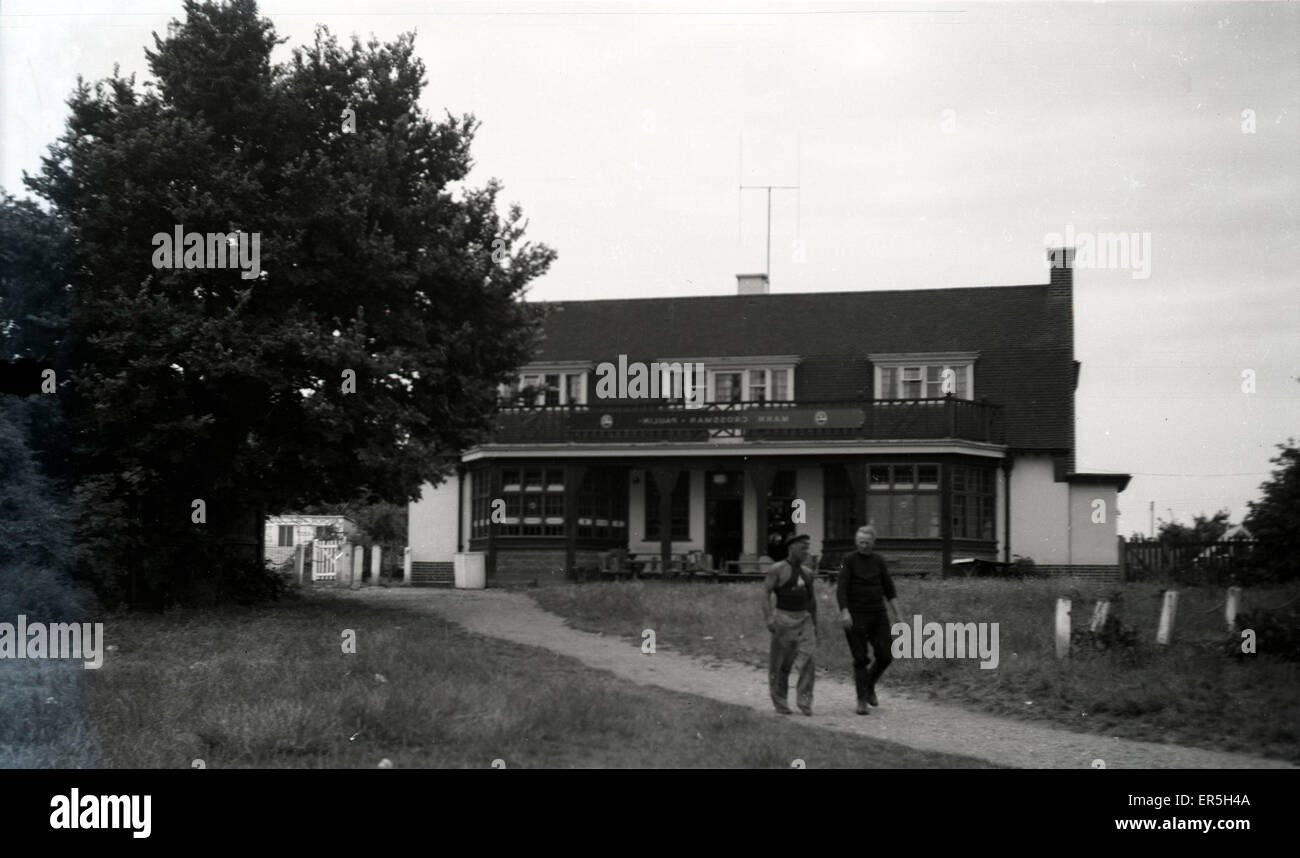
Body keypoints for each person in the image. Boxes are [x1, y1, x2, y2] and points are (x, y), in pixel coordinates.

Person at [838, 525, 901, 715]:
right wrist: (844, 612)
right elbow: (841, 589)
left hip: (878, 614)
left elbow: (889, 589)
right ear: (856, 542)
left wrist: (899, 616)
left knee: (886, 654)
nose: (864, 546)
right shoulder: (848, 560)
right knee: (860, 658)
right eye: (861, 542)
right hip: (855, 616)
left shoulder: (878, 561)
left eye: (867, 542)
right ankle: (861, 700)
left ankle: (870, 684)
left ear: (874, 542)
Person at [762, 533, 818, 715]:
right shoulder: (777, 569)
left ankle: (804, 701)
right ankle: (780, 702)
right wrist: (769, 617)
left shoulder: (808, 573)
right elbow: (766, 593)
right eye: (802, 547)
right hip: (783, 619)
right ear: (792, 547)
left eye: (807, 548)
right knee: (781, 663)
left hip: (804, 619)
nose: (806, 551)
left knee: (808, 661)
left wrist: (815, 625)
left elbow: (812, 601)